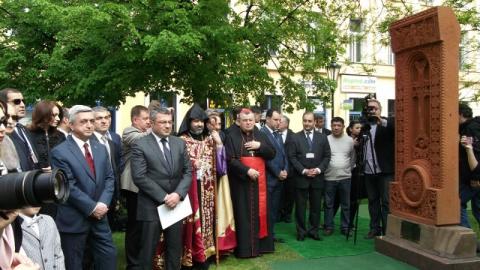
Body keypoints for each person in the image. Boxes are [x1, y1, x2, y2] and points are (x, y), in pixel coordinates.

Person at [51, 105, 117, 270]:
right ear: (71, 125)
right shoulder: (60, 152)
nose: (89, 125)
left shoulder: (100, 148)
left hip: (100, 218)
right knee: (74, 264)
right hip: (74, 219)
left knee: (108, 259)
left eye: (91, 121)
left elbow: (110, 178)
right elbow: (68, 185)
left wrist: (102, 204)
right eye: (84, 121)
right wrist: (92, 207)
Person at [131, 108, 192, 270]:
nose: (167, 125)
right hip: (151, 206)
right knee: (147, 251)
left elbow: (187, 172)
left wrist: (178, 194)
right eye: (163, 122)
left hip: (175, 205)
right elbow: (139, 177)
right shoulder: (140, 145)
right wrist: (165, 197)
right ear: (151, 124)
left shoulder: (179, 143)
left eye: (170, 122)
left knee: (174, 249)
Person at [171, 103, 227, 268]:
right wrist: (192, 163)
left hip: (208, 189)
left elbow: (221, 167)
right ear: (188, 122)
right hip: (188, 190)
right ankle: (188, 256)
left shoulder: (210, 139)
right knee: (189, 224)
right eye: (195, 121)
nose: (199, 124)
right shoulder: (181, 140)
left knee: (207, 221)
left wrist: (219, 145)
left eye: (202, 121)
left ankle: (204, 254)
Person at [225, 108, 275, 257]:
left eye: (251, 120)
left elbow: (272, 153)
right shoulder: (231, 135)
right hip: (241, 183)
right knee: (243, 214)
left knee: (261, 213)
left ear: (255, 120)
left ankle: (262, 247)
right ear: (239, 121)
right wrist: (246, 170)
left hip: (259, 183)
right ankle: (246, 250)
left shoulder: (260, 135)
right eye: (245, 120)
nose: (248, 123)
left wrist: (260, 146)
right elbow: (230, 160)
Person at [288, 111, 331, 241]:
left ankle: (313, 231)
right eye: (305, 121)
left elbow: (327, 156)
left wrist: (318, 170)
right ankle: (301, 232)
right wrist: (304, 171)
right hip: (301, 178)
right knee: (300, 207)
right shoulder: (295, 137)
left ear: (314, 122)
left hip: (317, 178)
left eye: (309, 121)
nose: (307, 123)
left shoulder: (323, 137)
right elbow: (292, 157)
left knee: (316, 207)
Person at [120, 105, 150, 269]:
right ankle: (133, 263)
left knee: (146, 225)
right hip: (133, 186)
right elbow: (144, 140)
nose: (148, 122)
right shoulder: (129, 132)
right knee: (135, 226)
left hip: (147, 186)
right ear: (135, 120)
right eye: (146, 119)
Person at [362, 99, 395, 239]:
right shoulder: (365, 126)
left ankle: (387, 231)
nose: (372, 110)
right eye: (370, 108)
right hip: (369, 171)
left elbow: (396, 129)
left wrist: (382, 120)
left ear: (380, 110)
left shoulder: (387, 123)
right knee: (372, 200)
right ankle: (375, 228)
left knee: (386, 202)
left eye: (375, 108)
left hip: (384, 170)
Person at [28, 101, 66, 218]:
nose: (58, 118)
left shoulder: (60, 136)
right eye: (54, 115)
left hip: (56, 182)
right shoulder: (28, 134)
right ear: (43, 114)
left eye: (58, 115)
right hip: (35, 184)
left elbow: (65, 159)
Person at [260, 109, 288, 243]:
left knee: (274, 209)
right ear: (268, 119)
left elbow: (284, 154)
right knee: (268, 209)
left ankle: (271, 234)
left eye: (280, 120)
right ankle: (267, 236)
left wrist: (285, 170)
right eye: (276, 120)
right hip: (269, 179)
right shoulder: (261, 134)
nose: (279, 122)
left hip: (280, 178)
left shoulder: (278, 134)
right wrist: (277, 173)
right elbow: (266, 158)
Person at [323, 117, 355, 236]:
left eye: (339, 125)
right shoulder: (325, 140)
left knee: (345, 204)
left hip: (345, 178)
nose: (336, 127)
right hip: (329, 177)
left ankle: (345, 227)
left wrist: (346, 169)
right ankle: (328, 226)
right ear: (331, 126)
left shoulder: (350, 141)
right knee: (328, 204)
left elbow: (352, 158)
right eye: (334, 125)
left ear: (343, 126)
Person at [0, 88, 39, 171]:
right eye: (16, 101)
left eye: (23, 101)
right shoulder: (5, 132)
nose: (22, 105)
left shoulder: (23, 129)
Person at [459, 103, 480, 228]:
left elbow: (476, 153)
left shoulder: (470, 129)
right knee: (478, 209)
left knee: (457, 204)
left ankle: (469, 241)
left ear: (460, 114)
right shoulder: (469, 127)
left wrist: (476, 177)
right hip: (473, 177)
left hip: (473, 179)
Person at [346, 120, 367, 230]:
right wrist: (351, 145)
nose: (359, 130)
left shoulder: (363, 141)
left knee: (354, 199)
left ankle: (350, 222)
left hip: (357, 172)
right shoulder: (345, 140)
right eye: (357, 127)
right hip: (345, 171)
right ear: (350, 129)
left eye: (360, 128)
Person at [278, 115, 296, 223]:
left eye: (281, 121)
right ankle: (279, 213)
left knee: (290, 194)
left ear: (286, 124)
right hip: (278, 171)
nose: (278, 123)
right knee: (279, 194)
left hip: (291, 171)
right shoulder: (274, 135)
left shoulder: (294, 136)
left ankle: (288, 214)